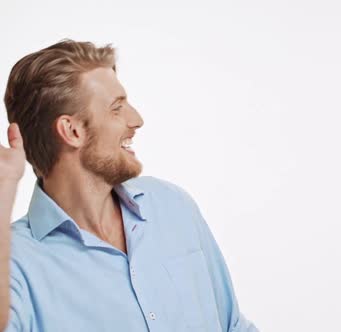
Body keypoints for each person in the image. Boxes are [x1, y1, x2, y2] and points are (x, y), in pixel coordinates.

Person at [0, 40, 257, 331]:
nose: (136, 120)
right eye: (117, 108)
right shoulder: (14, 261)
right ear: (72, 131)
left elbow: (232, 325)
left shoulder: (171, 205)